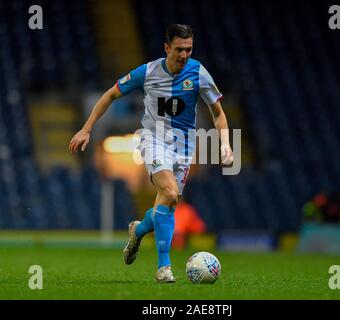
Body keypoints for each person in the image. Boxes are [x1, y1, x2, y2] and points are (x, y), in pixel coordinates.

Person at [69, 24, 233, 283]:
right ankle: (163, 267)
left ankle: (139, 229)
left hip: (184, 146)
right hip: (154, 140)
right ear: (167, 48)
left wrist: (225, 144)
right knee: (169, 192)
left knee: (169, 203)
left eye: (188, 49)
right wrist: (86, 129)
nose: (184, 55)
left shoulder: (199, 73)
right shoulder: (147, 72)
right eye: (179, 49)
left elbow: (218, 113)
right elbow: (110, 94)